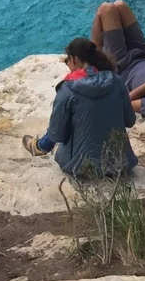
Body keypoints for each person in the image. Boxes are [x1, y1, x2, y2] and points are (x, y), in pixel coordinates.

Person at [22, 36, 137, 177]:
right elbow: (130, 120)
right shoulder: (117, 81)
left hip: (81, 166)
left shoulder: (68, 88)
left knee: (62, 124)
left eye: (67, 61)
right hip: (119, 163)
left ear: (74, 59)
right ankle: (42, 146)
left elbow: (57, 133)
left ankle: (40, 146)